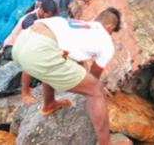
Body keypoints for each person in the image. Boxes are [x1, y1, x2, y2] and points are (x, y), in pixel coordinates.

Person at [11, 8, 122, 145]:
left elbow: (65, 56)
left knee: (55, 61)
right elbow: (93, 78)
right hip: (39, 50)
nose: (111, 34)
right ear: (110, 27)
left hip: (22, 41)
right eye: (112, 32)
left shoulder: (78, 24)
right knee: (96, 91)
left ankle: (49, 103)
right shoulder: (106, 42)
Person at [0, 0, 58, 105]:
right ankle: (25, 93)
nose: (50, 18)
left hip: (23, 44)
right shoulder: (29, 20)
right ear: (41, 10)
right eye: (49, 15)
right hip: (11, 48)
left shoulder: (42, 17)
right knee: (34, 58)